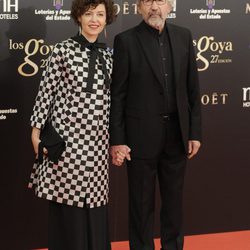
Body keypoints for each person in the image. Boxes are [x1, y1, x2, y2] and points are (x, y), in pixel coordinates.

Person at [110, 0, 202, 249]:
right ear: (139, 7)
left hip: (177, 134)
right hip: (139, 137)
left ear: (170, 6)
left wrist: (194, 132)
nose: (154, 7)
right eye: (148, 1)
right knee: (141, 205)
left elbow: (192, 89)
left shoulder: (184, 36)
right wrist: (117, 139)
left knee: (173, 204)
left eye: (160, 1)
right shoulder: (125, 40)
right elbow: (117, 95)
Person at [28, 0, 116, 249]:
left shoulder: (109, 55)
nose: (94, 20)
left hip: (98, 144)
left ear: (107, 18)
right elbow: (46, 94)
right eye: (88, 14)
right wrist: (35, 133)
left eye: (100, 14)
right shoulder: (62, 50)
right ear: (78, 17)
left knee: (95, 204)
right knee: (67, 205)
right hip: (67, 142)